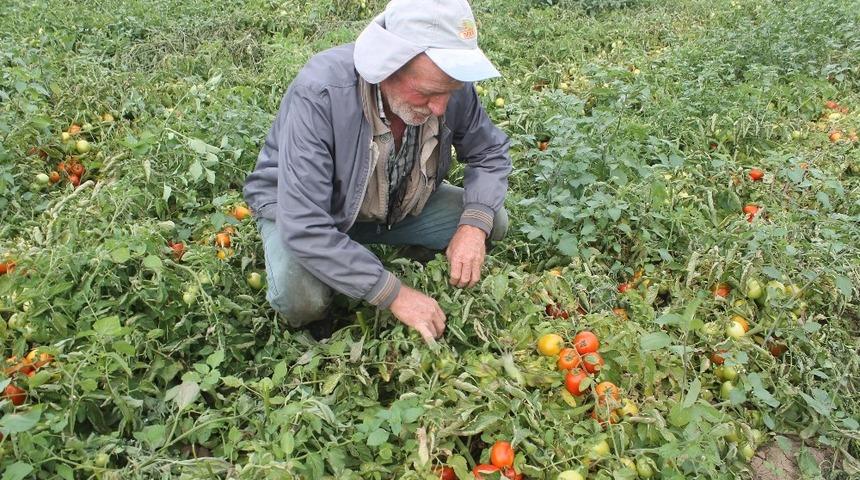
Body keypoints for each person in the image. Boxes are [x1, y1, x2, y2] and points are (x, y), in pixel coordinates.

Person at [243, 0, 511, 343]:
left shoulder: (448, 86)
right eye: (428, 93)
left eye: (449, 92)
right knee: (301, 297)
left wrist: (474, 226)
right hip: (309, 212)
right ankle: (323, 310)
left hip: (395, 202)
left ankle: (383, 249)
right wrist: (394, 294)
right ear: (388, 67)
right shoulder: (322, 92)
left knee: (491, 219)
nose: (440, 108)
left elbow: (489, 151)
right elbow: (305, 222)